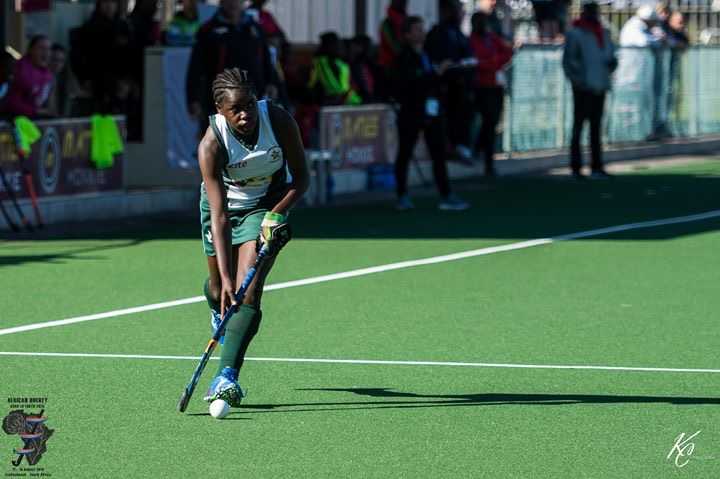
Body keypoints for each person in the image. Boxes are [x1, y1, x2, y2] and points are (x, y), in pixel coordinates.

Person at [198, 67, 308, 406]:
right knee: (219, 288)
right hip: (222, 208)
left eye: (249, 105)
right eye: (236, 109)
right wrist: (225, 277)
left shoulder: (278, 120)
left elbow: (301, 178)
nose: (245, 114)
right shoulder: (211, 145)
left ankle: (226, 377)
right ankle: (217, 305)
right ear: (220, 111)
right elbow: (219, 215)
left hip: (265, 205)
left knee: (248, 290)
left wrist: (277, 213)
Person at [392, 16, 469, 211]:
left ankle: (446, 195)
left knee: (438, 153)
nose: (422, 33)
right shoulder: (404, 58)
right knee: (405, 153)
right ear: (407, 34)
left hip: (432, 110)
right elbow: (412, 83)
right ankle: (402, 195)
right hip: (411, 111)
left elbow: (433, 80)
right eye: (417, 29)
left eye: (422, 29)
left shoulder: (427, 54)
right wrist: (436, 73)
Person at [187, 0, 278, 134]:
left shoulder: (255, 28)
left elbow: (266, 60)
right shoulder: (208, 31)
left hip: (253, 101)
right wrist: (193, 99)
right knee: (219, 143)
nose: (232, 3)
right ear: (221, 3)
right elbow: (195, 68)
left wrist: (271, 82)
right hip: (220, 104)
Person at [563, 0, 616, 179]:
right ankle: (576, 167)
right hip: (583, 87)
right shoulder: (576, 33)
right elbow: (569, 61)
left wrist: (611, 64)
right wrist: (579, 81)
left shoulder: (603, 32)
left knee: (596, 128)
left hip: (599, 86)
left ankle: (597, 166)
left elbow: (609, 55)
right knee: (579, 127)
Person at [425, 0, 475, 164]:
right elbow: (438, 62)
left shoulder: (459, 33)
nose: (461, 15)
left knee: (460, 119)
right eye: (458, 11)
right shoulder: (438, 33)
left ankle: (459, 148)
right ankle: (444, 150)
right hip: (441, 88)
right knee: (441, 121)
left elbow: (469, 57)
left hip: (459, 88)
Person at [469, 12, 513, 178]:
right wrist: (491, 62)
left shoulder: (492, 38)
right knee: (487, 121)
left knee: (492, 121)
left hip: (496, 85)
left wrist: (492, 62)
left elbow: (507, 53)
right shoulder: (471, 41)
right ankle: (485, 159)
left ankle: (479, 150)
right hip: (481, 87)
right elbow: (477, 62)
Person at [1, 35, 53, 118]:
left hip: (35, 119)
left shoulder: (47, 74)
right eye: (42, 48)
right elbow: (12, 104)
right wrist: (36, 111)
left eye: (48, 49)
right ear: (30, 50)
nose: (46, 53)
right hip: (13, 119)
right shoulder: (19, 70)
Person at [308, 32, 361, 106]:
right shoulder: (320, 62)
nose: (338, 46)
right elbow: (331, 86)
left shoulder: (340, 62)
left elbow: (346, 85)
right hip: (332, 99)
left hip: (346, 98)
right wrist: (345, 96)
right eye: (335, 44)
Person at [349, 34, 380, 103]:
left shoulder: (360, 65)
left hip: (366, 100)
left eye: (353, 46)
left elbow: (367, 86)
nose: (351, 49)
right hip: (367, 100)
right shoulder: (370, 64)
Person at [378, 0, 408, 71]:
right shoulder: (387, 23)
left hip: (402, 63)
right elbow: (394, 46)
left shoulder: (405, 21)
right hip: (389, 65)